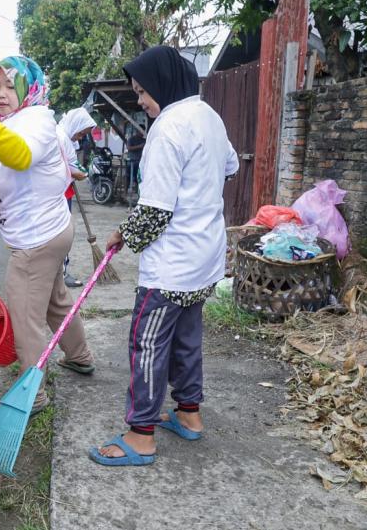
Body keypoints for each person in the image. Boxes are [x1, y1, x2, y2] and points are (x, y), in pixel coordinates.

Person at [89, 46, 238, 466]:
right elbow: (230, 167)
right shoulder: (210, 117)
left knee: (148, 343)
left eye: (142, 91)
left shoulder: (168, 128)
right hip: (205, 258)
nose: (140, 100)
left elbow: (154, 210)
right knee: (187, 338)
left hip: (170, 268)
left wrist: (123, 235)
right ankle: (189, 415)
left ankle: (141, 435)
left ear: (162, 83)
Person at [0, 56, 95, 413]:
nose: (1, 94)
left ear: (29, 88)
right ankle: (80, 356)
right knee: (55, 301)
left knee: (24, 315)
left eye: (9, 86)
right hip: (50, 231)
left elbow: (19, 156)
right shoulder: (5, 121)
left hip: (37, 239)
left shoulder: (36, 119)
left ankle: (32, 395)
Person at [58, 108, 96, 288]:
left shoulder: (65, 137)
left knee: (65, 233)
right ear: (75, 126)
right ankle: (61, 274)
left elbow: (72, 165)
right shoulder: (62, 138)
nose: (80, 137)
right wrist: (78, 174)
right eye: (81, 133)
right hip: (60, 194)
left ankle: (61, 273)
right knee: (63, 234)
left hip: (65, 192)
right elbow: (66, 167)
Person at [125, 127, 145, 196]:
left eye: (143, 131)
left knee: (138, 178)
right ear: (137, 131)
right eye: (141, 131)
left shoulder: (144, 140)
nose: (142, 133)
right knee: (128, 177)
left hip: (140, 162)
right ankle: (125, 193)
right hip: (131, 161)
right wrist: (140, 146)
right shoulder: (131, 139)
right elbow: (129, 148)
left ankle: (138, 193)